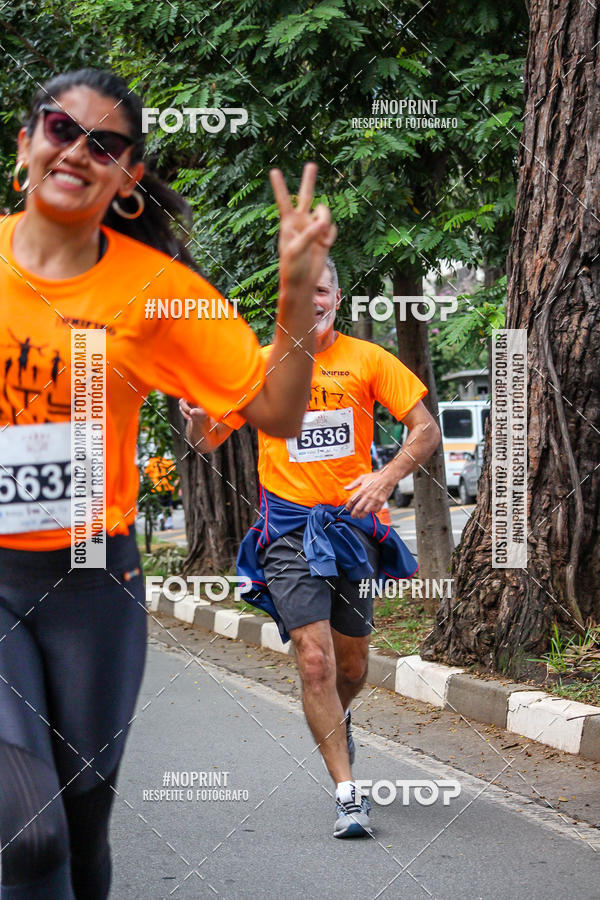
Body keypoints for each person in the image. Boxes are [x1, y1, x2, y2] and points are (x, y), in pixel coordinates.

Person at [0, 67, 336, 898]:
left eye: (105, 144)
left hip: (92, 582)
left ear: (128, 177)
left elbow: (277, 412)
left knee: (81, 825)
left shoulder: (157, 294)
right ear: (26, 144)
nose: (77, 151)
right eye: (61, 129)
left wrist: (296, 291)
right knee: (28, 833)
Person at [183, 257, 441, 838]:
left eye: (319, 290)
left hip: (351, 529)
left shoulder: (368, 359)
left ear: (336, 298)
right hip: (287, 531)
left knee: (352, 665)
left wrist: (385, 478)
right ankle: (348, 794)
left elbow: (425, 429)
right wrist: (197, 420)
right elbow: (208, 440)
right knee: (315, 659)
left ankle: (336, 721)